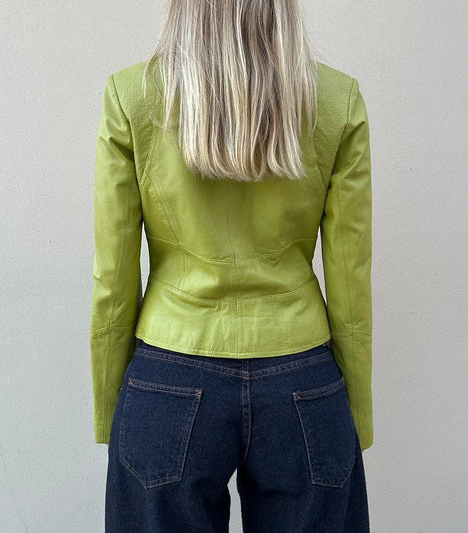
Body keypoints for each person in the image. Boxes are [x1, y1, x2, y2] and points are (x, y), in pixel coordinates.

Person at [90, 1, 373, 531]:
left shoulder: (131, 96)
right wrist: (352, 413)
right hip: (302, 379)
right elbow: (350, 279)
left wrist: (115, 409)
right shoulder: (337, 99)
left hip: (169, 374)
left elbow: (113, 278)